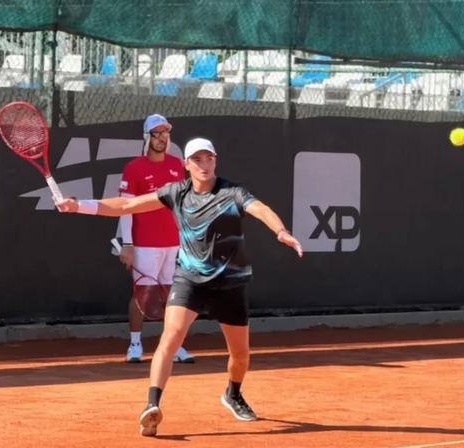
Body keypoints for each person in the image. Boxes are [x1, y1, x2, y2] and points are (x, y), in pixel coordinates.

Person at [56, 137, 303, 437]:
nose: (203, 164)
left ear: (215, 160)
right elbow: (128, 204)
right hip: (190, 280)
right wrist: (79, 205)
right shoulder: (176, 193)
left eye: (208, 158)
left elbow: (260, 208)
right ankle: (151, 407)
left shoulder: (232, 192)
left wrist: (281, 231)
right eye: (196, 159)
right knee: (170, 337)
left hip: (230, 284)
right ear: (186, 165)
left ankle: (233, 394)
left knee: (240, 355)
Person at [117, 114, 194, 364]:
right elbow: (125, 208)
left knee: (173, 295)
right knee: (144, 293)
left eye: (165, 133)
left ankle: (174, 345)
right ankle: (135, 343)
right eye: (156, 133)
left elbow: (183, 205)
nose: (162, 138)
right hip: (144, 244)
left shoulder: (177, 165)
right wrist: (127, 244)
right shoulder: (134, 168)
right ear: (147, 137)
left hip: (174, 244)